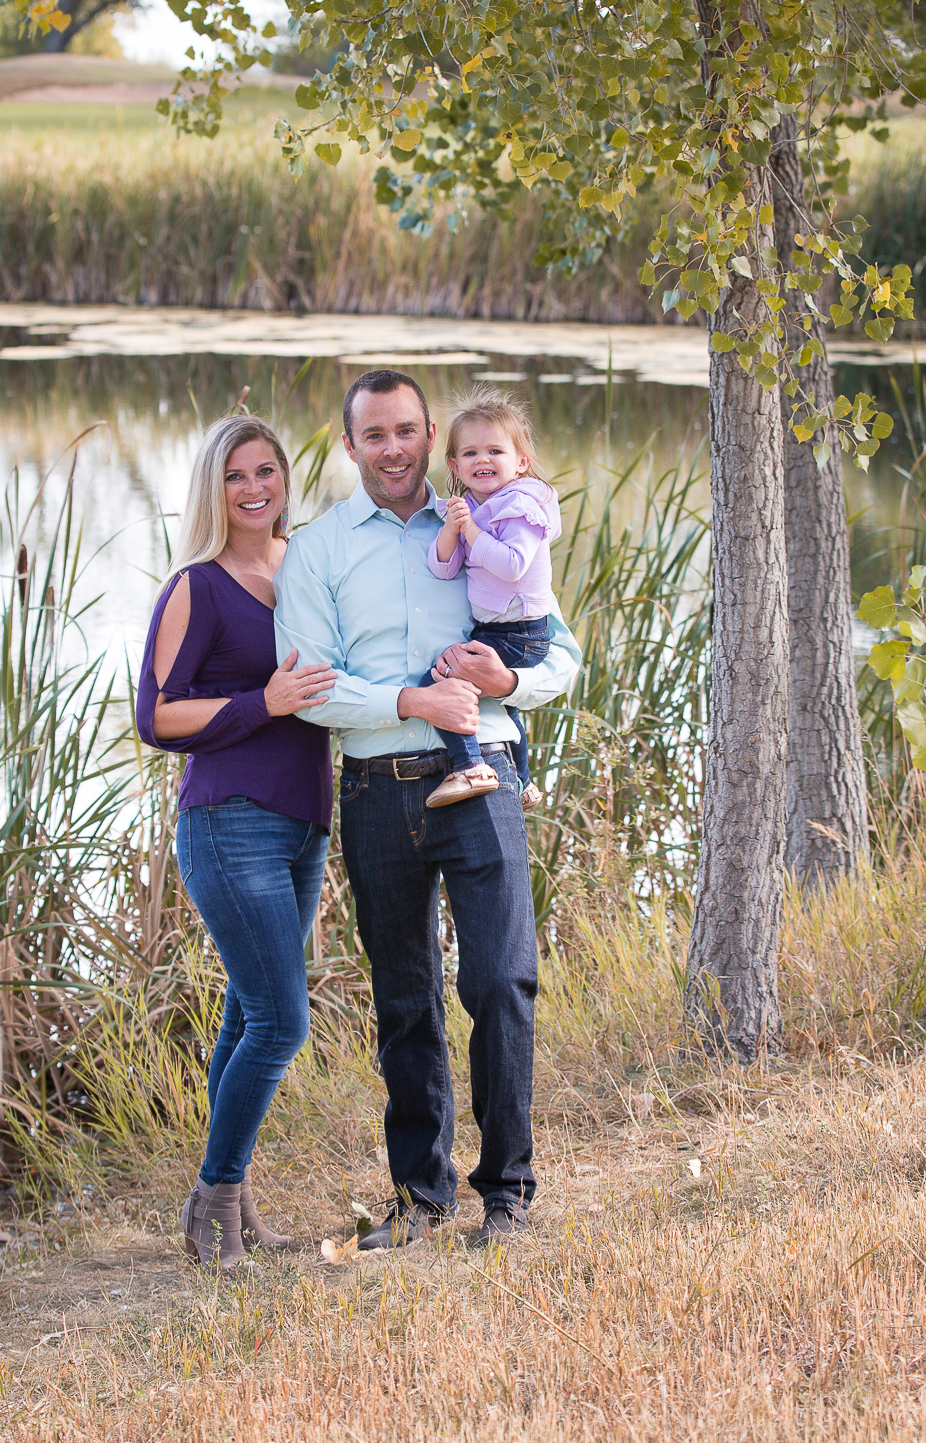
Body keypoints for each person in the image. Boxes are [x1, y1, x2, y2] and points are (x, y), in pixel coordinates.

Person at [273, 369, 581, 1250]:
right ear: (350, 445)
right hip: (376, 789)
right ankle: (421, 1198)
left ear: (430, 431)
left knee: (501, 980)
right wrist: (411, 704)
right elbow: (309, 688)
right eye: (376, 435)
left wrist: (507, 680)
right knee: (405, 999)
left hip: (484, 770)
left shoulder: (488, 518)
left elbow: (561, 656)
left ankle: (508, 1196)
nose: (395, 448)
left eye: (408, 430)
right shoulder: (321, 548)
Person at [135, 414, 338, 1272]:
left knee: (244, 1015)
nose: (255, 490)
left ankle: (232, 1206)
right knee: (281, 1021)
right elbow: (155, 716)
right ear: (213, 489)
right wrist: (266, 703)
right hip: (229, 824)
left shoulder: (304, 567)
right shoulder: (197, 586)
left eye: (267, 473)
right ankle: (214, 1200)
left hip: (304, 825)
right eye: (236, 477)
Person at [421, 388, 561, 810]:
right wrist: (452, 530)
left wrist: (471, 532)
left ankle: (471, 767)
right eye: (469, 453)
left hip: (521, 632)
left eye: (495, 450)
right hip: (497, 628)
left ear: (520, 461)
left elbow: (513, 564)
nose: (482, 460)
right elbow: (443, 568)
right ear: (454, 465)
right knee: (496, 699)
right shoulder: (472, 508)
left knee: (442, 679)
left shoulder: (520, 505)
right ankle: (522, 781)